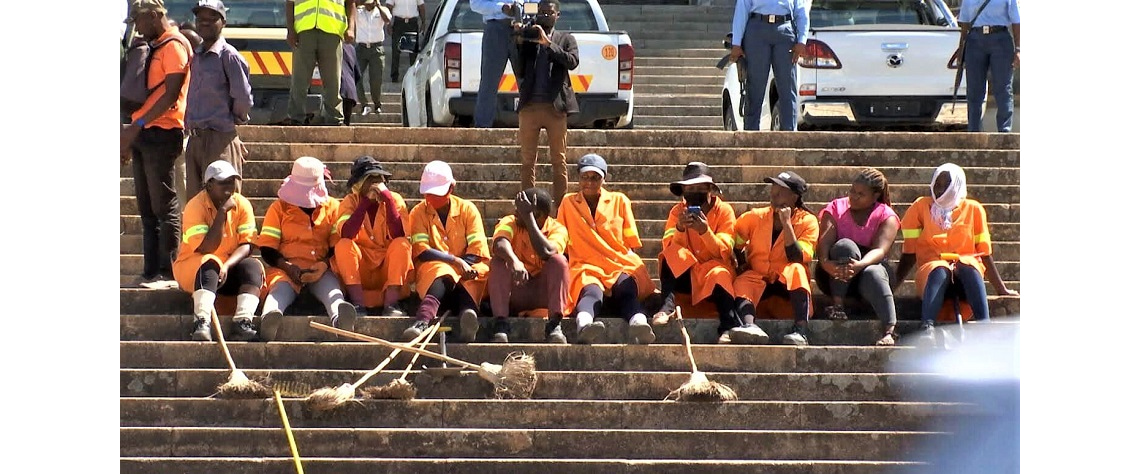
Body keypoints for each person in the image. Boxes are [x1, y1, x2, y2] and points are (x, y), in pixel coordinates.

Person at [895, 163, 1018, 345]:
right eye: (937, 184)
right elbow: (909, 252)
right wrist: (894, 285)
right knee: (940, 268)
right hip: (932, 272)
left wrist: (1001, 289)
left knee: (968, 265)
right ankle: (927, 327)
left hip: (965, 273)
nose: (939, 189)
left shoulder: (974, 209)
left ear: (957, 185)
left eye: (946, 185)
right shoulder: (920, 207)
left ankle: (984, 326)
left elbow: (984, 253)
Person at [121, 0, 192, 289]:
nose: (137, 27)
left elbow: (171, 95)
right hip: (142, 132)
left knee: (165, 205)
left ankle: (168, 270)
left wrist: (136, 127)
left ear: (154, 16)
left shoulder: (174, 45)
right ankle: (150, 270)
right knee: (147, 207)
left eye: (139, 20)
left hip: (163, 133)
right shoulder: (153, 44)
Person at [651, 163, 762, 345]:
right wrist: (680, 227)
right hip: (686, 272)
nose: (695, 192)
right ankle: (666, 307)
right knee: (671, 253)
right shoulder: (677, 211)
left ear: (710, 189)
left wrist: (705, 231)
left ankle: (727, 327)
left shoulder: (724, 211)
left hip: (714, 272)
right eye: (690, 188)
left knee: (720, 274)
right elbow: (669, 244)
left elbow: (724, 251)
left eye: (700, 188)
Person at [557, 154, 656, 345]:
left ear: (604, 178)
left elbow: (630, 241)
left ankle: (639, 325)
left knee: (626, 288)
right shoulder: (567, 203)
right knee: (591, 292)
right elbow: (561, 236)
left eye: (595, 177)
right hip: (585, 263)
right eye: (585, 177)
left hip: (618, 261)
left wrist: (629, 267)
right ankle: (584, 325)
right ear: (578, 178)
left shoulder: (620, 200)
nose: (589, 182)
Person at [257, 157, 358, 341]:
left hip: (321, 267)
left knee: (332, 289)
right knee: (279, 289)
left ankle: (339, 320)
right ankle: (269, 316)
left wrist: (324, 265)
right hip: (286, 268)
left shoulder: (333, 207)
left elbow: (336, 244)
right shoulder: (279, 208)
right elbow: (267, 248)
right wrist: (287, 266)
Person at [173, 160, 265, 342]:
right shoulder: (194, 206)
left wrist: (228, 265)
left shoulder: (242, 204)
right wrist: (222, 213)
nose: (229, 187)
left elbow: (247, 245)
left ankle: (242, 321)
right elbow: (207, 248)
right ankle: (201, 321)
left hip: (225, 269)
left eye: (232, 182)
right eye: (223, 182)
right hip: (195, 270)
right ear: (209, 185)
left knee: (253, 267)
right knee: (210, 261)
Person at [403, 161, 491, 342]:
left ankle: (469, 317)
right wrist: (455, 262)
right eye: (429, 193)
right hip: (436, 275)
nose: (432, 198)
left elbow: (477, 249)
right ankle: (422, 321)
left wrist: (462, 267)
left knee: (477, 275)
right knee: (441, 271)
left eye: (437, 193)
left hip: (468, 270)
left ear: (452, 187)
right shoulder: (418, 212)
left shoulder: (468, 210)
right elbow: (422, 251)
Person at [814, 168, 901, 346]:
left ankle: (889, 330)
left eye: (860, 194)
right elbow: (824, 242)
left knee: (874, 273)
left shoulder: (886, 215)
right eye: (852, 191)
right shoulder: (836, 207)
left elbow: (880, 250)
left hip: (869, 270)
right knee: (845, 246)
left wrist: (860, 265)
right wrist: (825, 262)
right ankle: (838, 305)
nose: (853, 196)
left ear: (875, 196)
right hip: (834, 272)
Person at [732, 171, 819, 345]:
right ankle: (750, 326)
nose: (774, 193)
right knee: (742, 281)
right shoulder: (755, 216)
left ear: (794, 197)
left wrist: (787, 223)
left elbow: (797, 256)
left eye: (781, 190)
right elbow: (735, 241)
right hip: (759, 278)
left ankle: (800, 331)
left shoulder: (808, 221)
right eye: (773, 188)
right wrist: (742, 264)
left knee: (797, 270)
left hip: (784, 283)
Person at [184, 0, 253, 196]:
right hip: (195, 140)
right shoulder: (196, 56)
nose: (204, 23)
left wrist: (231, 126)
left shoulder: (228, 56)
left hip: (219, 139)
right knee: (195, 204)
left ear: (223, 22)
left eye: (211, 18)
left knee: (223, 202)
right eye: (200, 18)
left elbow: (243, 98)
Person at [513, 0, 578, 207]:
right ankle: (527, 207)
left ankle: (561, 208)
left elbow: (572, 61)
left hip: (555, 106)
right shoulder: (530, 36)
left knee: (559, 160)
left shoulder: (565, 38)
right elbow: (519, 67)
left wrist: (548, 44)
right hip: (530, 105)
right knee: (527, 161)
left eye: (549, 13)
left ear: (557, 15)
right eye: (541, 12)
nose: (545, 16)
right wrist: (520, 40)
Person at [488, 188, 571, 344]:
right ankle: (500, 324)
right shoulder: (510, 221)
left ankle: (554, 325)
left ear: (539, 215)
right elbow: (499, 244)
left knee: (559, 261)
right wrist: (514, 260)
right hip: (517, 288)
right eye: (518, 210)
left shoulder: (558, 228)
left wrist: (529, 219)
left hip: (542, 294)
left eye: (521, 211)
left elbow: (548, 251)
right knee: (498, 261)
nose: (516, 214)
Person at [334, 156, 414, 317]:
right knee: (343, 245)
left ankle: (391, 304)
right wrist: (365, 203)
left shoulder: (395, 200)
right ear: (358, 185)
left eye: (378, 179)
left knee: (402, 244)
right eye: (369, 179)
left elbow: (399, 233)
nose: (375, 184)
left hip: (386, 269)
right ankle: (358, 305)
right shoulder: (350, 202)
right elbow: (346, 233)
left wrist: (389, 200)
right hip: (360, 270)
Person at [727, 0, 809, 131]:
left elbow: (801, 11)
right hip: (757, 29)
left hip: (785, 29)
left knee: (787, 88)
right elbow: (742, 9)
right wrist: (736, 43)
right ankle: (751, 138)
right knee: (755, 87)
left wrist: (802, 40)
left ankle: (789, 137)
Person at [284, 0, 355, 126]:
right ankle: (296, 118)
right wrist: (290, 30)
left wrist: (351, 28)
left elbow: (351, 3)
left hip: (332, 32)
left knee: (333, 81)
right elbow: (290, 3)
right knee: (299, 80)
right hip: (304, 32)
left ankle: (334, 118)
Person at [957, 0, 1020, 132]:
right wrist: (961, 48)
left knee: (1003, 88)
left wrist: (1018, 49)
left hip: (1000, 39)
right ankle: (974, 133)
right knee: (974, 90)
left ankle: (1004, 133)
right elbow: (964, 23)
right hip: (975, 40)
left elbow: (1016, 21)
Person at [468, 0, 524, 128]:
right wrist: (501, 8)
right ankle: (483, 127)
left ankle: (533, 125)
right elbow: (475, 3)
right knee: (489, 81)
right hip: (496, 28)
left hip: (523, 28)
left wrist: (523, 8)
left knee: (528, 80)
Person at [355, 0, 391, 115]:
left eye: (370, 3)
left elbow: (388, 20)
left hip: (376, 49)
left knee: (376, 79)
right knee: (356, 76)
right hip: (361, 48)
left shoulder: (382, 11)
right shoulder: (359, 11)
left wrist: (379, 6)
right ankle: (364, 104)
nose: (367, 5)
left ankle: (377, 104)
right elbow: (349, 9)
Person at [385, 0, 426, 82]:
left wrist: (423, 22)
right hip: (399, 23)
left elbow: (421, 6)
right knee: (396, 50)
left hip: (412, 23)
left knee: (413, 52)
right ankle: (394, 76)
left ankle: (414, 75)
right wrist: (388, 24)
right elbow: (388, 7)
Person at [340, 42, 363, 125]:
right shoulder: (351, 48)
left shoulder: (330, 48)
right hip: (350, 92)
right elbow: (358, 74)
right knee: (346, 123)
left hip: (338, 91)